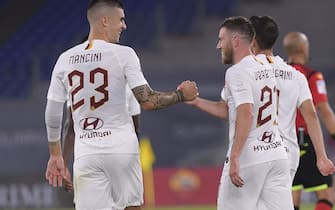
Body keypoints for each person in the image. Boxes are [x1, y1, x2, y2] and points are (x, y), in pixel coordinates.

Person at [44, 1, 198, 210]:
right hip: (120, 149)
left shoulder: (65, 59)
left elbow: (53, 112)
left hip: (86, 153)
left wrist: (56, 155)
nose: (124, 26)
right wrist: (181, 95)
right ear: (104, 21)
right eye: (121, 19)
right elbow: (148, 101)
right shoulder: (123, 54)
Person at [188, 16, 293, 210]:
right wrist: (196, 101)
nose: (218, 46)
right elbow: (231, 111)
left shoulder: (236, 72)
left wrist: (235, 156)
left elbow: (246, 112)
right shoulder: (266, 67)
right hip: (276, 155)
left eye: (221, 39)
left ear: (235, 40)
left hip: (249, 156)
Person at [249, 15, 334, 183]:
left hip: (264, 146)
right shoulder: (305, 76)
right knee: (325, 196)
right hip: (296, 145)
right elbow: (319, 111)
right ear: (303, 48)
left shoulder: (255, 72)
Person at [284, 31, 335, 210]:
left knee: (291, 198)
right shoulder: (311, 76)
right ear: (303, 48)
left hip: (282, 142)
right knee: (326, 194)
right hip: (305, 140)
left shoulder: (278, 74)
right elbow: (324, 110)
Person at [61, 85, 141, 192]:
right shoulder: (128, 83)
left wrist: (64, 165)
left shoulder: (76, 81)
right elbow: (134, 130)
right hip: (112, 156)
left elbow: (70, 127)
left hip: (91, 157)